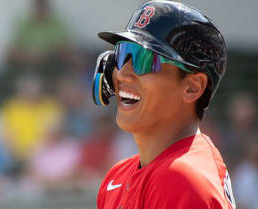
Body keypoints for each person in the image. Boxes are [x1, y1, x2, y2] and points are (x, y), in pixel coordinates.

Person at [93, 1, 235, 209]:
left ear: (193, 87)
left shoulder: (181, 181)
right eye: (123, 54)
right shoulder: (118, 176)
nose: (123, 73)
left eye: (145, 59)